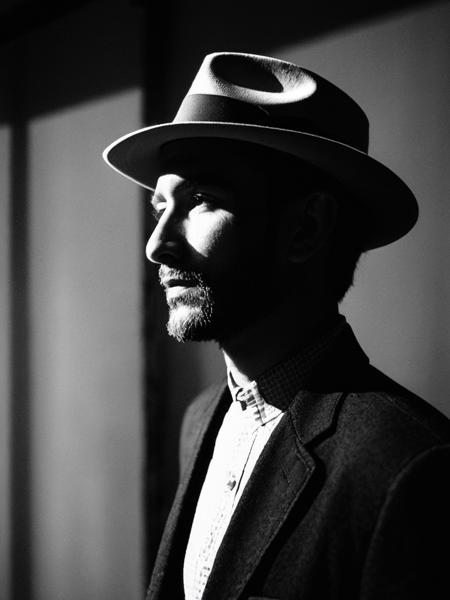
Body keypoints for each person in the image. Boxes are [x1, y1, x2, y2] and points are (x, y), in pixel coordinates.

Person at [103, 52, 450, 600]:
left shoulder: (412, 469)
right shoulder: (200, 419)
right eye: (159, 208)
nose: (156, 246)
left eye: (200, 201)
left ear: (307, 228)